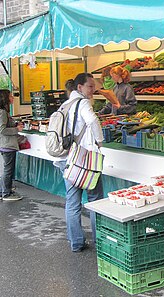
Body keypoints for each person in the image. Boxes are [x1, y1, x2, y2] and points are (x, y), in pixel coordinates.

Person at [56, 73, 104, 252]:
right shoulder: (82, 103)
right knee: (95, 199)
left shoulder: (65, 104)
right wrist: (100, 143)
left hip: (66, 159)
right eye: (90, 86)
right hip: (85, 160)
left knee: (73, 201)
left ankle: (76, 242)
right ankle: (99, 239)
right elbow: (93, 121)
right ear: (79, 88)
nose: (93, 90)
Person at [0, 89, 24, 201]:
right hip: (6, 144)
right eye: (10, 96)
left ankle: (1, 192)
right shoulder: (2, 112)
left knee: (6, 169)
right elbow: (2, 130)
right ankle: (6, 193)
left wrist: (14, 124)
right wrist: (16, 129)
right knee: (8, 170)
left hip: (3, 144)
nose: (12, 98)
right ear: (5, 98)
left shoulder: (0, 111)